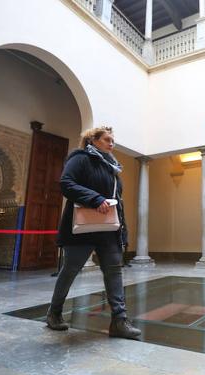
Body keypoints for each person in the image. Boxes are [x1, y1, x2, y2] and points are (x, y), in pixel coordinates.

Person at [46, 126, 141, 339]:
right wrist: (95, 198)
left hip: (108, 230)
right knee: (70, 269)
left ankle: (119, 320)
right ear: (93, 140)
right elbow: (66, 183)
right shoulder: (80, 158)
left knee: (114, 271)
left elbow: (118, 202)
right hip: (83, 229)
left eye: (112, 140)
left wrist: (122, 232)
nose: (112, 143)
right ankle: (54, 312)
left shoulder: (111, 167)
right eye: (107, 139)